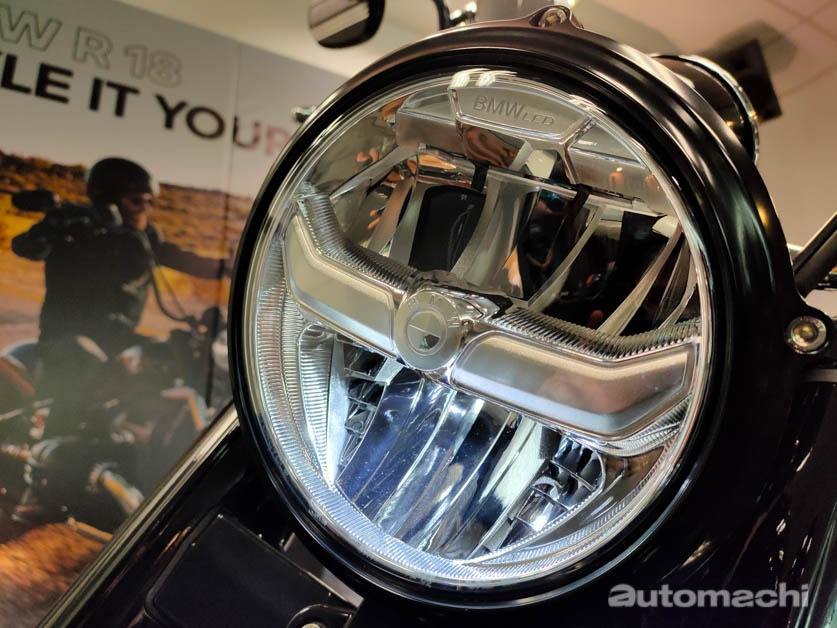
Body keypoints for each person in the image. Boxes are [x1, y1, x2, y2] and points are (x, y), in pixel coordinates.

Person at [11, 157, 228, 436]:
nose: (146, 209)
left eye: (149, 202)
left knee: (172, 355)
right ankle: (58, 446)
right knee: (80, 376)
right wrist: (54, 226)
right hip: (65, 337)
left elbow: (187, 260)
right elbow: (26, 247)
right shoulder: (76, 226)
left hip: (119, 336)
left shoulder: (142, 238)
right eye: (137, 201)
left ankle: (149, 440)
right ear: (109, 201)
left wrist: (234, 265)